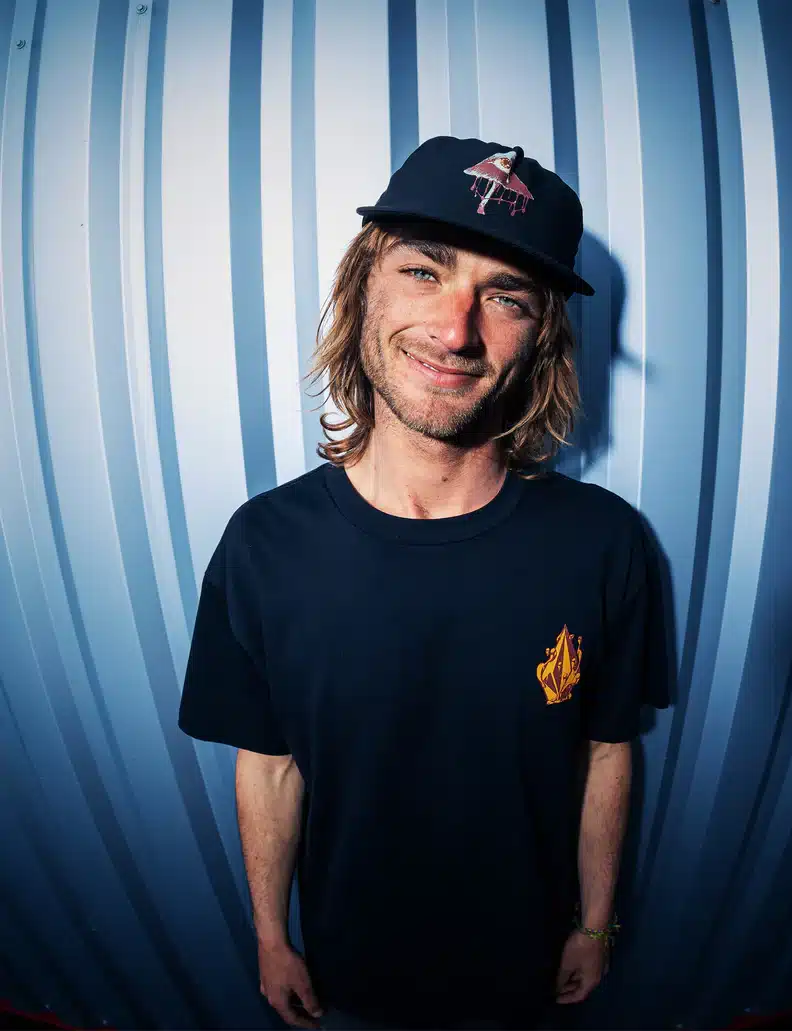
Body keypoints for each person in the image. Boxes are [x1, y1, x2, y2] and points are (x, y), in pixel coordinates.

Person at [178, 136, 664, 1031]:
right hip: (346, 976)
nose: (454, 330)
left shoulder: (603, 543)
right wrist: (270, 938)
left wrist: (595, 923)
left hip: (528, 977)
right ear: (361, 288)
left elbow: (605, 751)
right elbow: (271, 765)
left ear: (541, 339)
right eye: (422, 271)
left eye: (506, 296)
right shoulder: (262, 546)